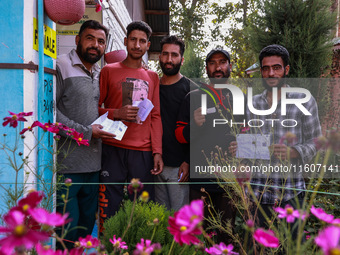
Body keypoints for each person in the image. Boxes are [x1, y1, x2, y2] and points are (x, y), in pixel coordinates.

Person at [245, 44, 321, 236]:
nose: (271, 73)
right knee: (261, 249)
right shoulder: (252, 103)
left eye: (276, 67)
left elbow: (317, 141)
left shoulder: (304, 100)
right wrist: (241, 148)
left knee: (291, 247)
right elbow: (249, 141)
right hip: (258, 193)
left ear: (286, 70)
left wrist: (295, 152)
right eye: (266, 68)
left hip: (291, 193)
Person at [98, 21, 163, 233]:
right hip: (112, 147)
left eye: (142, 41)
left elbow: (155, 116)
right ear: (125, 41)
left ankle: (139, 247)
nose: (137, 45)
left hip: (142, 152)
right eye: (133, 40)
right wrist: (116, 113)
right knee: (110, 206)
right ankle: (109, 246)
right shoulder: (108, 71)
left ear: (148, 45)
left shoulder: (152, 77)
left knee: (143, 207)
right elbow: (95, 109)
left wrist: (157, 152)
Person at [56, 20, 114, 249]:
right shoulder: (60, 66)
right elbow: (51, 114)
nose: (95, 45)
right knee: (66, 233)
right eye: (90, 38)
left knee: (85, 230)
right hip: (68, 166)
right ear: (78, 40)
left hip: (94, 167)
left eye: (101, 41)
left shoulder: (99, 73)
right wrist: (87, 132)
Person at [176, 48, 243, 243]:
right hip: (200, 181)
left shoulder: (239, 98)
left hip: (229, 182)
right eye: (212, 63)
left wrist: (241, 149)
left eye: (222, 62)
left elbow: (250, 133)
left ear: (230, 66)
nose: (218, 67)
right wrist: (193, 125)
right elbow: (179, 135)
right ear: (207, 68)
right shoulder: (193, 97)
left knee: (227, 235)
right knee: (199, 235)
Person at [155, 35, 190, 211]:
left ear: (181, 60)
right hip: (153, 164)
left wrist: (188, 160)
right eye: (165, 54)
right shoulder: (151, 86)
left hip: (179, 168)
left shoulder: (191, 90)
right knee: (158, 222)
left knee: (180, 221)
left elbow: (198, 130)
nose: (169, 59)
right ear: (160, 57)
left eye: (174, 55)